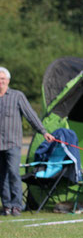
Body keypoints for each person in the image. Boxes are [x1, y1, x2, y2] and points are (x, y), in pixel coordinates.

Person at [0, 67, 55, 216]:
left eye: (2, 79)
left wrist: (43, 132)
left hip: (12, 143)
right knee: (1, 176)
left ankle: (17, 206)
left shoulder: (17, 96)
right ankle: (6, 206)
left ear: (8, 81)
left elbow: (30, 115)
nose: (0, 82)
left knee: (13, 173)